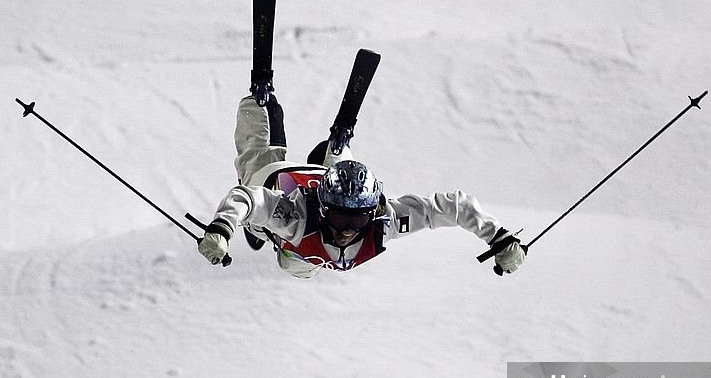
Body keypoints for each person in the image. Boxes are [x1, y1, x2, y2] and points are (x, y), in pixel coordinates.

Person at [197, 88, 525, 279]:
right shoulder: (294, 217)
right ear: (323, 210)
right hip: (284, 185)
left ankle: (336, 150)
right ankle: (264, 106)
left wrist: (498, 236)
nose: (348, 229)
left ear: (371, 212)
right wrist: (223, 229)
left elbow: (455, 207)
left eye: (357, 219)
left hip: (311, 207)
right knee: (258, 159)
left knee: (294, 260)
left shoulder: (382, 223)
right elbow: (247, 198)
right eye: (341, 218)